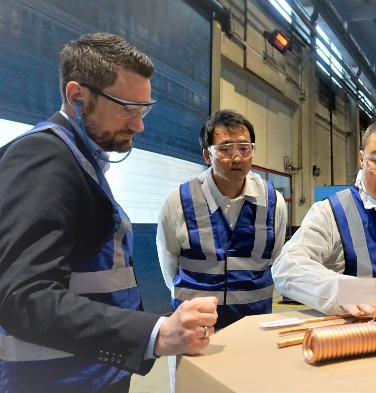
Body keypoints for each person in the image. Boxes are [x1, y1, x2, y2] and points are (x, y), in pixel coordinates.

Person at [0, 33, 217, 393]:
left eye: (144, 109)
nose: (139, 124)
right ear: (76, 96)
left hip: (89, 373)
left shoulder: (79, 161)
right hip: (55, 381)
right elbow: (22, 297)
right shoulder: (43, 158)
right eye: (126, 107)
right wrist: (154, 333)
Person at [272, 119, 376, 317]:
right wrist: (344, 291)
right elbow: (287, 267)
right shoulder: (330, 213)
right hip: (352, 337)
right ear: (362, 158)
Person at [157, 109, 287, 329]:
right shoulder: (179, 201)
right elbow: (169, 263)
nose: (237, 158)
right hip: (194, 327)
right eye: (225, 149)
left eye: (245, 149)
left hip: (253, 325)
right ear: (207, 155)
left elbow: (276, 258)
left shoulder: (273, 202)